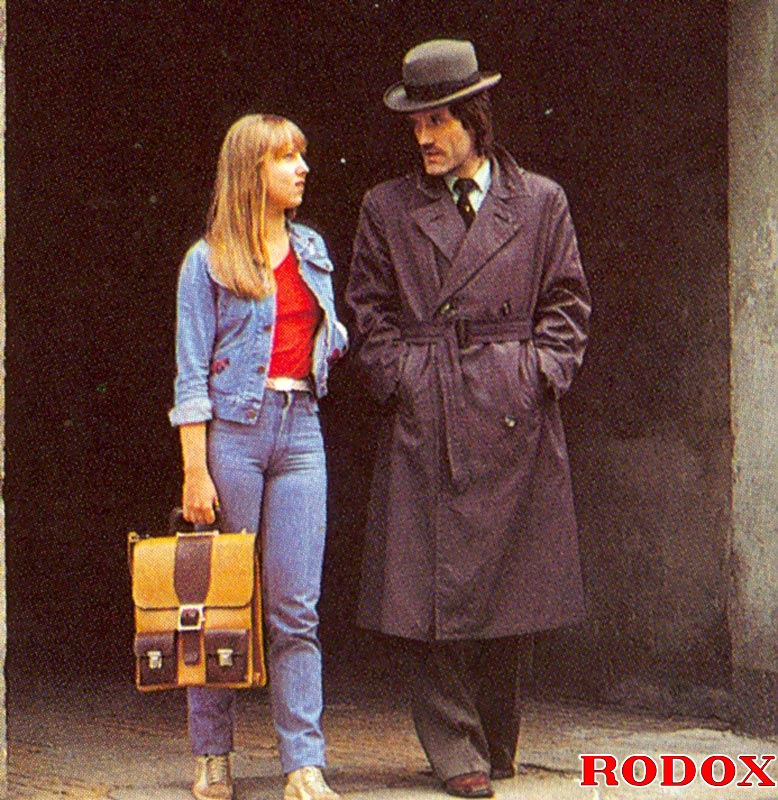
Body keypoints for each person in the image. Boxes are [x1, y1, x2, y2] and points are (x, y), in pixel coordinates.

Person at [346, 40, 591, 799]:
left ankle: (497, 736)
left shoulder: (541, 201)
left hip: (512, 409)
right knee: (428, 588)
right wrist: (405, 379)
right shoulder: (387, 208)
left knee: (512, 583)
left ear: (476, 119)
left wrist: (538, 373)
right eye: (416, 123)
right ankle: (457, 750)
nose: (423, 137)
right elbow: (367, 312)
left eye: (438, 121)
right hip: (431, 407)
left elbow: (568, 305)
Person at [169, 114, 347, 800]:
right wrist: (195, 470)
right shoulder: (207, 260)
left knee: (295, 608)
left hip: (302, 429)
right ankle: (212, 755)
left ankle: (303, 763)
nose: (302, 168)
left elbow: (328, 332)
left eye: (302, 154)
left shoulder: (312, 248)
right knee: (220, 604)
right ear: (251, 172)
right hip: (234, 436)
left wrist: (331, 343)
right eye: (285, 158)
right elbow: (190, 375)